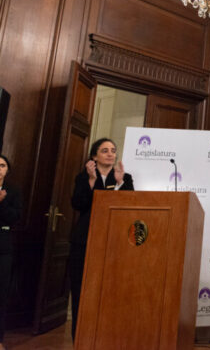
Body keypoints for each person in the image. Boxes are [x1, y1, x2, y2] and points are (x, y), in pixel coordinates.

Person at [69, 138, 133, 340]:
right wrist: (91, 181)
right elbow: (79, 204)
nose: (110, 153)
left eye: (113, 150)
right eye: (104, 150)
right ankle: (80, 339)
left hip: (114, 242)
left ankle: (105, 338)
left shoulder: (125, 177)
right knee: (81, 290)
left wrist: (120, 184)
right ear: (94, 156)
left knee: (109, 291)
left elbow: (129, 206)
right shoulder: (83, 177)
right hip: (84, 241)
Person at [0, 155, 21, 350]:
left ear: (7, 170)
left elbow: (14, 217)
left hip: (3, 246)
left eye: (2, 165)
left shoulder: (13, 191)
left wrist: (1, 202)